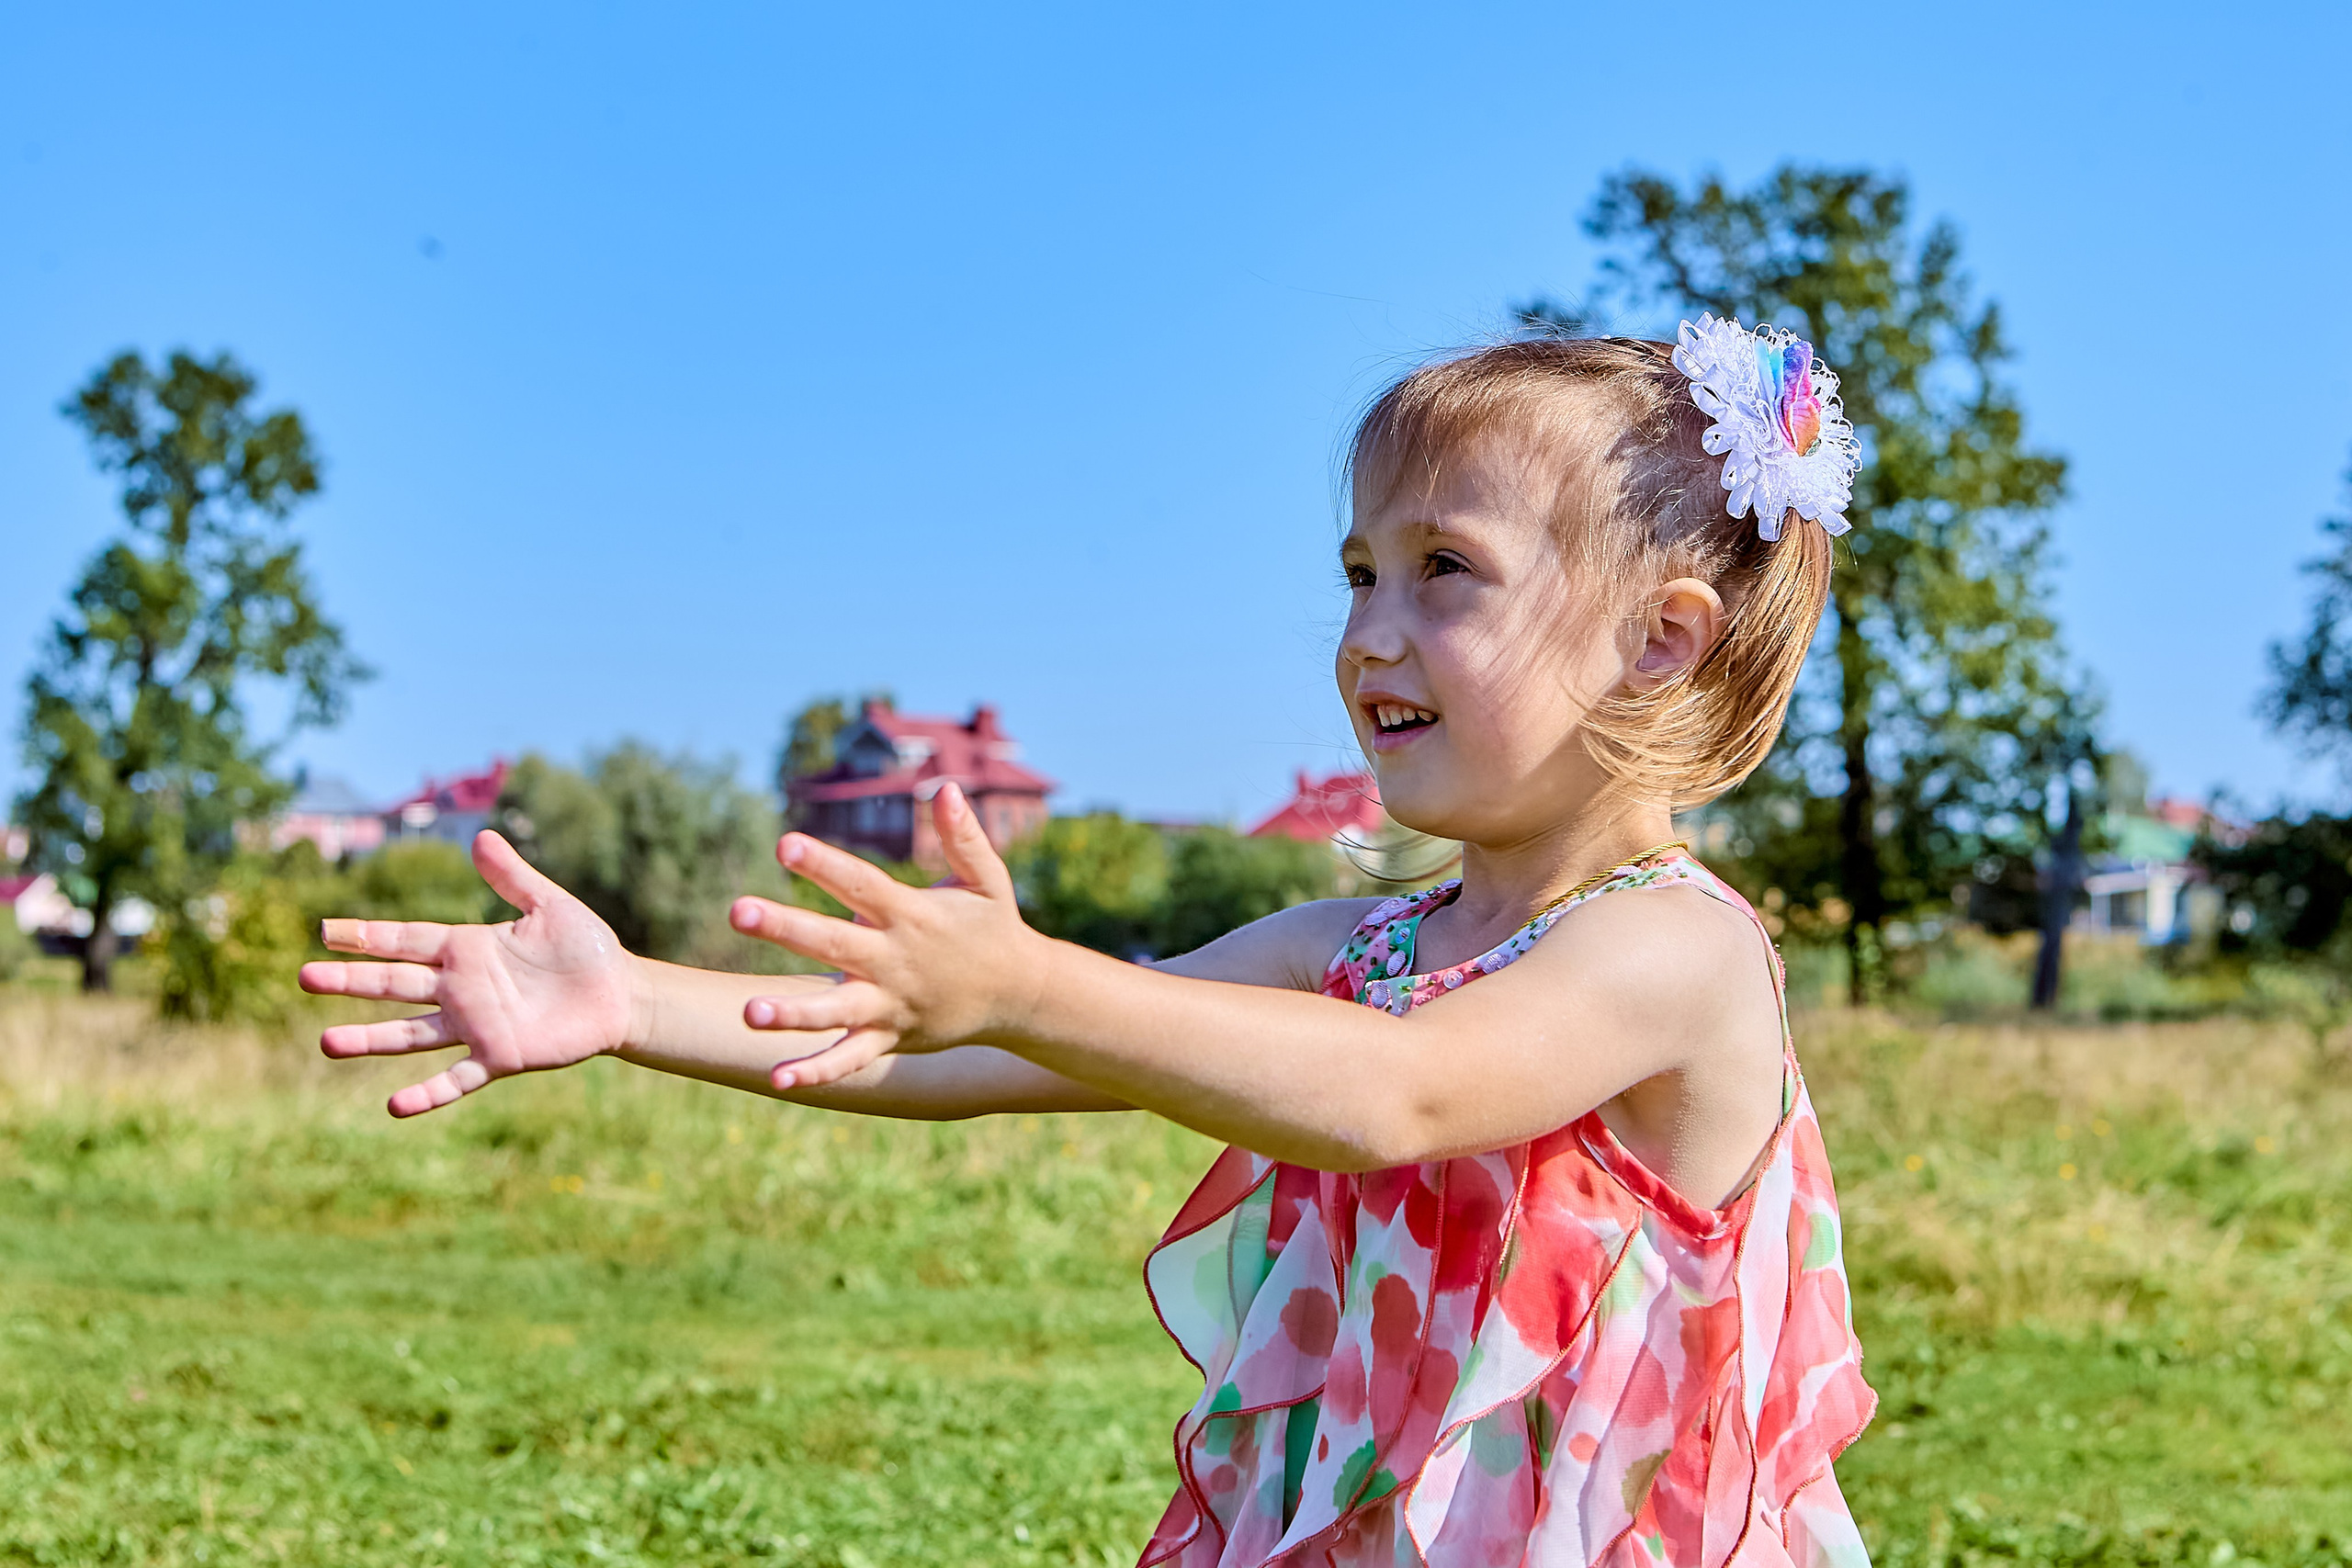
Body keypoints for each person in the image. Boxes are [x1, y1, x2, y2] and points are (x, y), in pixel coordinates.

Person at [302, 320, 1878, 1566]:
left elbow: (1407, 1096)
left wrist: (1037, 974)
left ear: (1659, 636)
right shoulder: (1358, 944)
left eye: (1443, 570)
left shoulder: (1677, 952)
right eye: (1357, 573)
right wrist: (633, 997)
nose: (1369, 633)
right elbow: (980, 1046)